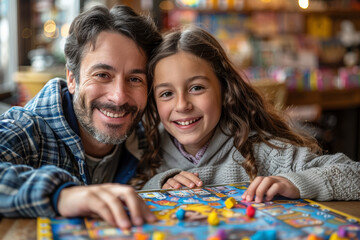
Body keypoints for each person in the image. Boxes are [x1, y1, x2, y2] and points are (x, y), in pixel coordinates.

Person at [131, 25, 360, 203]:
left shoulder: (260, 151)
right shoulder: (146, 148)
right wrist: (158, 184)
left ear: (224, 89)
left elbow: (354, 175)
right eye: (166, 93)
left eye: (196, 88)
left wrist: (296, 183)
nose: (182, 105)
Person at [0, 5, 162, 229]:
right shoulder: (27, 127)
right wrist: (61, 195)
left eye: (135, 79)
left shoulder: (148, 137)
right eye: (102, 75)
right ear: (72, 79)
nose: (118, 97)